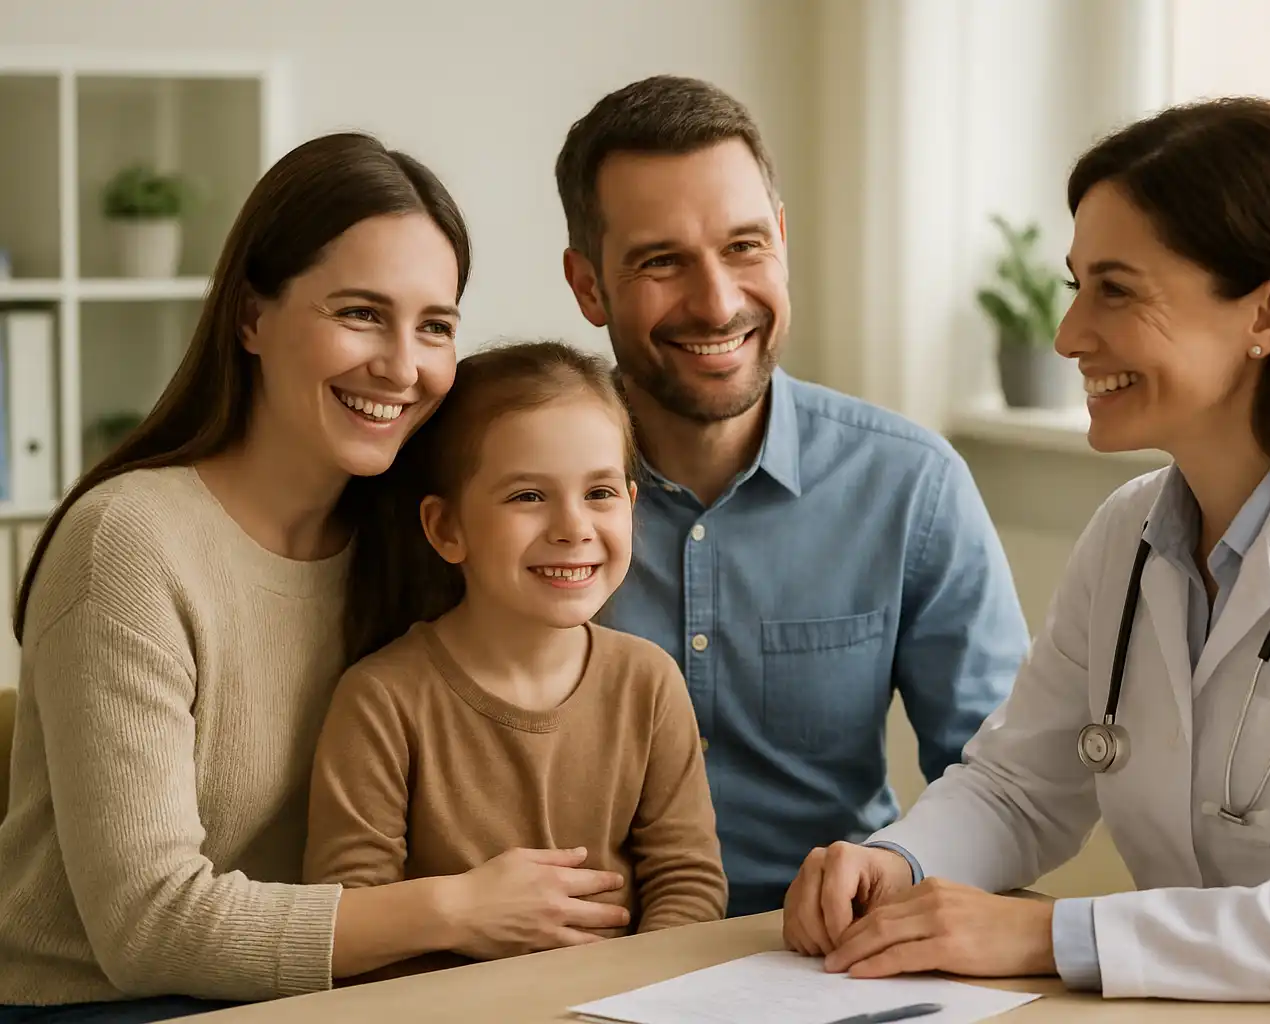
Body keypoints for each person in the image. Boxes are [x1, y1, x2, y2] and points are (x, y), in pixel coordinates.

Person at [782, 97, 1270, 1024]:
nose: (1068, 337)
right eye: (1074, 286)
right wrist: (897, 861)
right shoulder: (1129, 536)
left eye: (1116, 289)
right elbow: (1021, 788)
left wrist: (1047, 935)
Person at [0, 135, 610, 1024]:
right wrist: (455, 908)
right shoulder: (129, 544)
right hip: (103, 1006)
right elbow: (145, 926)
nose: (403, 366)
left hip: (332, 996)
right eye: (361, 313)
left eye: (435, 324)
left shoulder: (417, 537)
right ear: (252, 318)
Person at [554, 75, 1029, 918]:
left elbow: (1005, 781)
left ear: (781, 237)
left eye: (743, 247)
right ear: (588, 286)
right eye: (661, 261)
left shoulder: (910, 487)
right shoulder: (512, 499)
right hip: (578, 956)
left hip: (828, 956)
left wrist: (901, 866)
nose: (718, 302)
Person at [302, 340, 727, 978]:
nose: (572, 526)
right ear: (447, 529)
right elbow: (353, 912)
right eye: (528, 496)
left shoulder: (650, 682)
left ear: (632, 507)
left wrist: (634, 992)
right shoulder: (381, 699)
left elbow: (688, 882)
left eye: (601, 493)